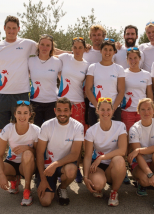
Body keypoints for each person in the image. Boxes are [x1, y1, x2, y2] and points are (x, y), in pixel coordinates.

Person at [0, 15, 37, 185]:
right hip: (2, 97)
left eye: (14, 28)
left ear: (18, 29)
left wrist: (75, 52)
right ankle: (0, 170)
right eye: (8, 28)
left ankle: (21, 170)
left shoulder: (26, 44)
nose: (11, 31)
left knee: (21, 132)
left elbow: (49, 48)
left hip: (22, 95)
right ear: (4, 28)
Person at [0, 100, 39, 206]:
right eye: (19, 113)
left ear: (30, 114)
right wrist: (1, 174)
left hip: (27, 166)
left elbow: (38, 153)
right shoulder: (8, 128)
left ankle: (27, 189)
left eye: (25, 113)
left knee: (28, 154)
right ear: (14, 114)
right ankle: (14, 179)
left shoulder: (36, 130)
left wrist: (27, 148)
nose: (22, 116)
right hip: (11, 163)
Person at [35, 97, 84, 206]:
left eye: (66, 110)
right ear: (55, 111)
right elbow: (39, 153)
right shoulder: (47, 125)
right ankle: (46, 183)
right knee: (45, 202)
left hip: (64, 166)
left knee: (71, 170)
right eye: (59, 110)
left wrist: (55, 164)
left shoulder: (77, 126)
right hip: (47, 167)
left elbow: (75, 154)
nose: (62, 113)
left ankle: (62, 188)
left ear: (71, 111)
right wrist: (42, 179)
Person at [83, 97, 127, 206]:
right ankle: (99, 185)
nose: (105, 112)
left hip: (113, 165)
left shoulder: (120, 126)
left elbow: (122, 150)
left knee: (119, 159)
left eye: (108, 109)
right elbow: (88, 156)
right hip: (97, 166)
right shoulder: (91, 131)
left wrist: (102, 157)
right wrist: (85, 176)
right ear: (97, 111)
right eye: (102, 109)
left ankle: (114, 192)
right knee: (97, 184)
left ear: (113, 111)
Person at [57, 37, 90, 183]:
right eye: (75, 47)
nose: (77, 50)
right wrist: (61, 79)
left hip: (78, 104)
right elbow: (53, 63)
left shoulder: (86, 65)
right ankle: (60, 168)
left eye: (80, 47)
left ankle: (77, 169)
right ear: (72, 48)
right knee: (61, 137)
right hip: (62, 102)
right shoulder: (65, 57)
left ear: (84, 49)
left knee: (77, 139)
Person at [127, 98, 154, 209]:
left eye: (149, 109)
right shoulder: (134, 128)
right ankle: (141, 183)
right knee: (145, 181)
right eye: (143, 109)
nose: (146, 112)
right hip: (141, 164)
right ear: (138, 111)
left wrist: (139, 150)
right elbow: (137, 156)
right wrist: (150, 174)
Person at [85, 39, 125, 126]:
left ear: (114, 52)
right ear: (101, 51)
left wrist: (113, 109)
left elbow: (121, 91)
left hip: (114, 109)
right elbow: (88, 89)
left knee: (113, 138)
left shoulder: (119, 69)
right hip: (95, 109)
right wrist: (98, 108)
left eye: (110, 50)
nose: (107, 52)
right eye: (105, 49)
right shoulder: (93, 67)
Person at [29, 34, 62, 127]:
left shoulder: (57, 62)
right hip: (34, 102)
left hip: (52, 103)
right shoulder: (30, 61)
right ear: (38, 46)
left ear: (51, 48)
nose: (45, 47)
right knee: (35, 133)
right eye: (42, 44)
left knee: (50, 134)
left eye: (48, 45)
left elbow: (62, 81)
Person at [121, 47, 153, 132]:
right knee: (129, 137)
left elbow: (149, 93)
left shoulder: (147, 74)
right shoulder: (122, 73)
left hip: (143, 112)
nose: (133, 61)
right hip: (127, 111)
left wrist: (152, 110)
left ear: (140, 58)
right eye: (130, 58)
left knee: (142, 136)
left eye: (135, 58)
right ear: (127, 60)